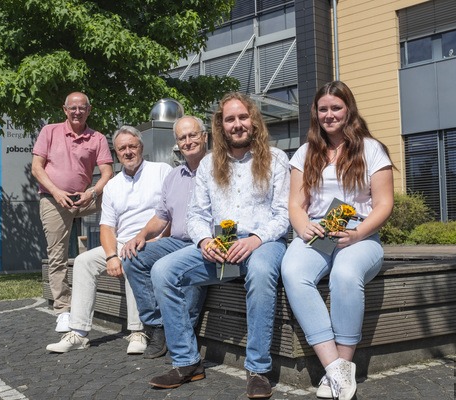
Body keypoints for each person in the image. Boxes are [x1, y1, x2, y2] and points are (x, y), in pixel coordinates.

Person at [148, 92, 290, 399]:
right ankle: (187, 362)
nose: (237, 124)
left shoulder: (277, 159)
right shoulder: (210, 164)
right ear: (220, 126)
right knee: (162, 271)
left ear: (253, 120)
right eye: (230, 119)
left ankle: (258, 369)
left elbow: (283, 216)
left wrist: (255, 240)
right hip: (220, 247)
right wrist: (203, 240)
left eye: (242, 117)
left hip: (262, 243)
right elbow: (197, 214)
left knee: (263, 270)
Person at [280, 81, 394, 400]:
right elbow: (295, 204)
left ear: (348, 110)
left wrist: (358, 233)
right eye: (323, 109)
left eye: (336, 108)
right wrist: (303, 226)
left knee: (345, 274)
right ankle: (336, 370)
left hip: (360, 231)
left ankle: (343, 365)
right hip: (320, 228)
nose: (329, 115)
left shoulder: (372, 149)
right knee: (293, 271)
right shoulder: (306, 152)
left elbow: (384, 203)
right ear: (315, 114)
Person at [46, 125, 172, 354]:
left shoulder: (161, 170)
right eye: (122, 148)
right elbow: (106, 227)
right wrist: (111, 255)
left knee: (134, 257)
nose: (128, 152)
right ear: (116, 153)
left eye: (132, 146)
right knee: (84, 262)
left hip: (155, 241)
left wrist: (161, 239)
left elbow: (172, 211)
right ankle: (79, 332)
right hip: (122, 243)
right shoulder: (112, 185)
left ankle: (138, 331)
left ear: (141, 147)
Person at [121, 115, 209, 359]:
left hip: (204, 244)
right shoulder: (173, 176)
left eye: (193, 135)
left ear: (205, 137)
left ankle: (183, 334)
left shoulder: (218, 168)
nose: (188, 141)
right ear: (177, 143)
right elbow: (161, 218)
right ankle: (157, 325)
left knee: (183, 272)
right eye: (182, 137)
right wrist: (139, 236)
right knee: (133, 257)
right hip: (176, 241)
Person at [32, 92, 114, 333]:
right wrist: (57, 192)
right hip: (54, 199)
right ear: (65, 110)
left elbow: (107, 173)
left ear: (89, 110)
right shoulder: (49, 131)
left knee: (118, 197)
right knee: (57, 255)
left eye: (82, 108)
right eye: (73, 108)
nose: (77, 112)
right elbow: (37, 168)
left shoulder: (97, 137)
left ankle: (130, 245)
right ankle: (63, 310)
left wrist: (93, 192)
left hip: (85, 198)